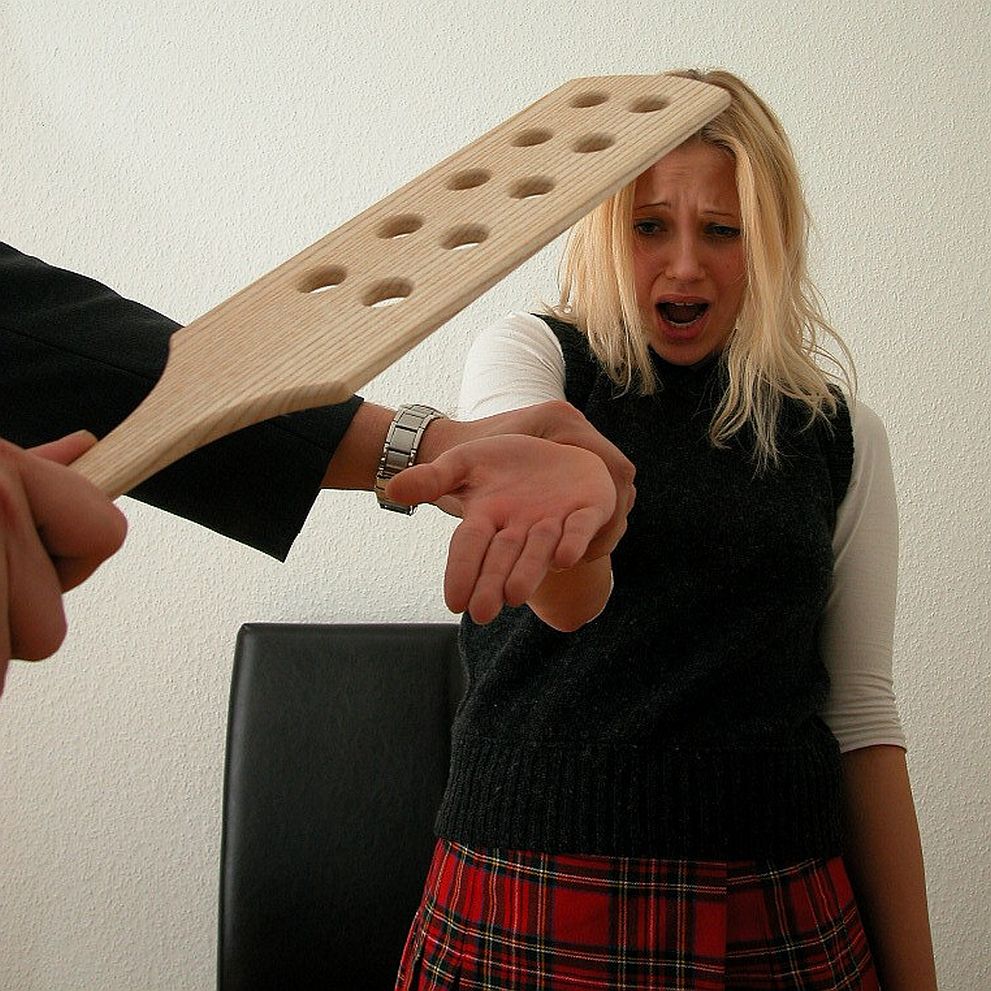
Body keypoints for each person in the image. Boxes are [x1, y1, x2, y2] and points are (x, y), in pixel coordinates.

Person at [395, 70, 938, 990]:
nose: (685, 265)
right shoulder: (531, 355)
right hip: (528, 892)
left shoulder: (840, 434)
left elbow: (861, 718)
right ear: (604, 230)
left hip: (779, 902)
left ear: (768, 242)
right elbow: (559, 591)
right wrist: (573, 512)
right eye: (650, 226)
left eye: (722, 230)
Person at [0, 243, 635, 691]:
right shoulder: (542, 346)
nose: (680, 265)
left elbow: (37, 333)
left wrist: (431, 446)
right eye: (650, 226)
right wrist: (436, 447)